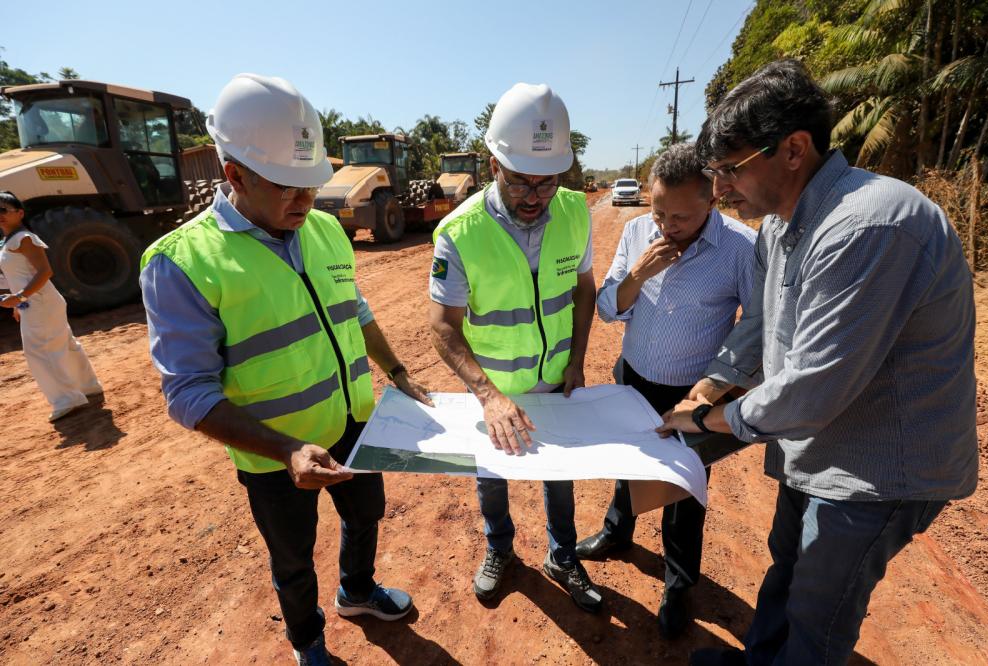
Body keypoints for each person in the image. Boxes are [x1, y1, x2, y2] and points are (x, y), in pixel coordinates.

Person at [657, 60, 978, 666]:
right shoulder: (780, 226)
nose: (721, 189)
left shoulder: (868, 225)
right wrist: (712, 382)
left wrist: (705, 424)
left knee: (818, 615)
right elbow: (757, 323)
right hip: (818, 449)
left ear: (795, 149)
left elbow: (813, 389)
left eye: (731, 170)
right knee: (786, 570)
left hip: (877, 469)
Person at [140, 74, 430, 666]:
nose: (305, 202)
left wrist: (398, 372)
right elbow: (188, 394)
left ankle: (357, 592)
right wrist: (288, 450)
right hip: (275, 458)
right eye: (286, 188)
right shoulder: (181, 263)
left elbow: (356, 310)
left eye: (311, 184)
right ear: (235, 176)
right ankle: (309, 643)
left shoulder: (324, 228)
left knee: (365, 516)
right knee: (293, 558)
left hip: (354, 422)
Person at [428, 83, 601, 612]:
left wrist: (575, 361)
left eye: (546, 183)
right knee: (493, 480)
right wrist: (487, 395)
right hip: (495, 393)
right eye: (520, 181)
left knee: (559, 478)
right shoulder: (459, 232)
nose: (533, 196)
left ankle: (562, 555)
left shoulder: (575, 212)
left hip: (554, 385)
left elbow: (583, 289)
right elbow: (442, 327)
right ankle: (500, 551)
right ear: (492, 164)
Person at [574, 143, 756, 638]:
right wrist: (638, 274)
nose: (664, 225)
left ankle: (678, 584)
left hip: (692, 396)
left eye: (679, 216)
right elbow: (609, 307)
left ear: (712, 201)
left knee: (683, 491)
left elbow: (755, 324)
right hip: (634, 377)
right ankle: (617, 533)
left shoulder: (740, 247)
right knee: (627, 464)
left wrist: (715, 388)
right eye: (658, 211)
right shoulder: (636, 233)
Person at [0, 191, 102, 421]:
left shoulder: (24, 238)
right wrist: (18, 302)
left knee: (40, 351)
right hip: (36, 303)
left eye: (4, 210)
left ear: (20, 213)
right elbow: (17, 275)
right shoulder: (7, 242)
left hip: (40, 303)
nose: (0, 215)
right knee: (63, 344)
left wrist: (20, 297)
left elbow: (45, 271)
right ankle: (88, 386)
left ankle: (68, 399)